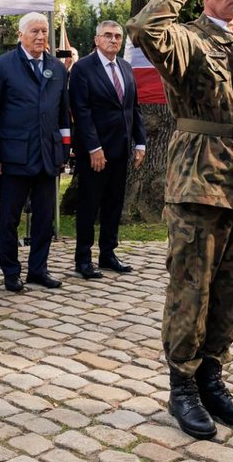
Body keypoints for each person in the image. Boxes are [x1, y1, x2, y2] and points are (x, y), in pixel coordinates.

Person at [127, 0, 233, 440]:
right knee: (191, 289)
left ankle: (213, 378)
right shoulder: (186, 40)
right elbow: (143, 29)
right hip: (198, 180)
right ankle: (184, 389)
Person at [0, 12, 71, 293]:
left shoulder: (57, 68)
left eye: (44, 31)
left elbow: (63, 114)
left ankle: (38, 269)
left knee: (44, 217)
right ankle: (11, 271)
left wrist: (64, 151)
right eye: (34, 31)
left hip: (47, 154)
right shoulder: (2, 65)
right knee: (10, 218)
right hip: (13, 155)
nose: (41, 37)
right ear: (21, 34)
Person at [68, 21, 147, 279]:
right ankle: (83, 258)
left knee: (114, 204)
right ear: (96, 39)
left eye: (117, 36)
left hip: (121, 149)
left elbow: (133, 108)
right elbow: (81, 112)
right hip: (95, 152)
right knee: (89, 205)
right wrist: (93, 147)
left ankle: (108, 253)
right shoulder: (83, 68)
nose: (113, 40)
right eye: (108, 36)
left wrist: (140, 142)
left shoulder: (125, 67)